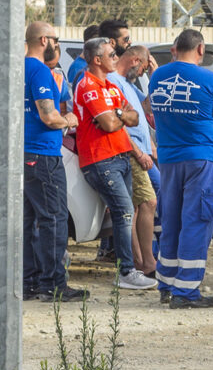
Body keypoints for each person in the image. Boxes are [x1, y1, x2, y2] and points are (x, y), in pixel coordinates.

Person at [148, 29, 213, 308]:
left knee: (171, 220)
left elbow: (150, 109)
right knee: (197, 221)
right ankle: (186, 291)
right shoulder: (211, 80)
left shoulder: (158, 76)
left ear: (175, 48)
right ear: (201, 49)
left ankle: (166, 284)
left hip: (168, 160)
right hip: (201, 159)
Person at [72, 36, 154, 291]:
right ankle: (127, 271)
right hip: (101, 159)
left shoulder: (111, 86)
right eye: (112, 55)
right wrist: (120, 116)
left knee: (126, 212)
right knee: (125, 212)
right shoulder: (88, 85)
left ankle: (131, 268)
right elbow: (109, 124)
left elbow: (134, 116)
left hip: (120, 156)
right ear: (97, 60)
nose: (116, 58)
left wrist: (118, 114)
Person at [23, 21, 83, 302]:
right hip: (43, 154)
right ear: (44, 40)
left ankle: (29, 282)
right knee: (54, 219)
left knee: (29, 220)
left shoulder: (19, 68)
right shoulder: (40, 71)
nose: (57, 44)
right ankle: (53, 284)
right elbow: (48, 116)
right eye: (55, 39)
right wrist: (68, 120)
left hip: (25, 154)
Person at [110, 42, 159, 280]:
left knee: (138, 206)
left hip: (140, 150)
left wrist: (154, 77)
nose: (141, 73)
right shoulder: (114, 82)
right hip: (130, 152)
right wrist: (138, 152)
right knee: (147, 202)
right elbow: (119, 123)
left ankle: (141, 260)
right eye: (143, 68)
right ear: (135, 61)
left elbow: (147, 107)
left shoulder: (128, 84)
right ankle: (144, 262)